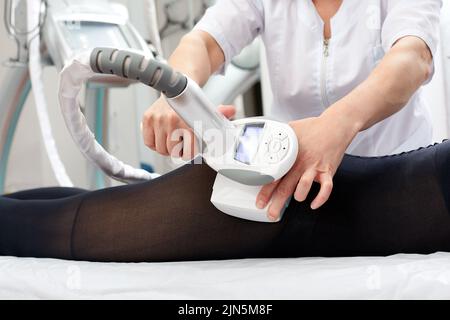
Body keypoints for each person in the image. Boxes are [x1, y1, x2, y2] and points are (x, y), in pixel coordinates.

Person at [141, 0, 442, 222]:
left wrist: (335, 125)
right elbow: (204, 43)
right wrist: (179, 92)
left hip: (392, 172)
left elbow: (413, 57)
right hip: (292, 183)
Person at [1, 139, 450, 262]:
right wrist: (177, 88)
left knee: (102, 211)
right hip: (283, 187)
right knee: (82, 225)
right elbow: (410, 61)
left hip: (298, 194)